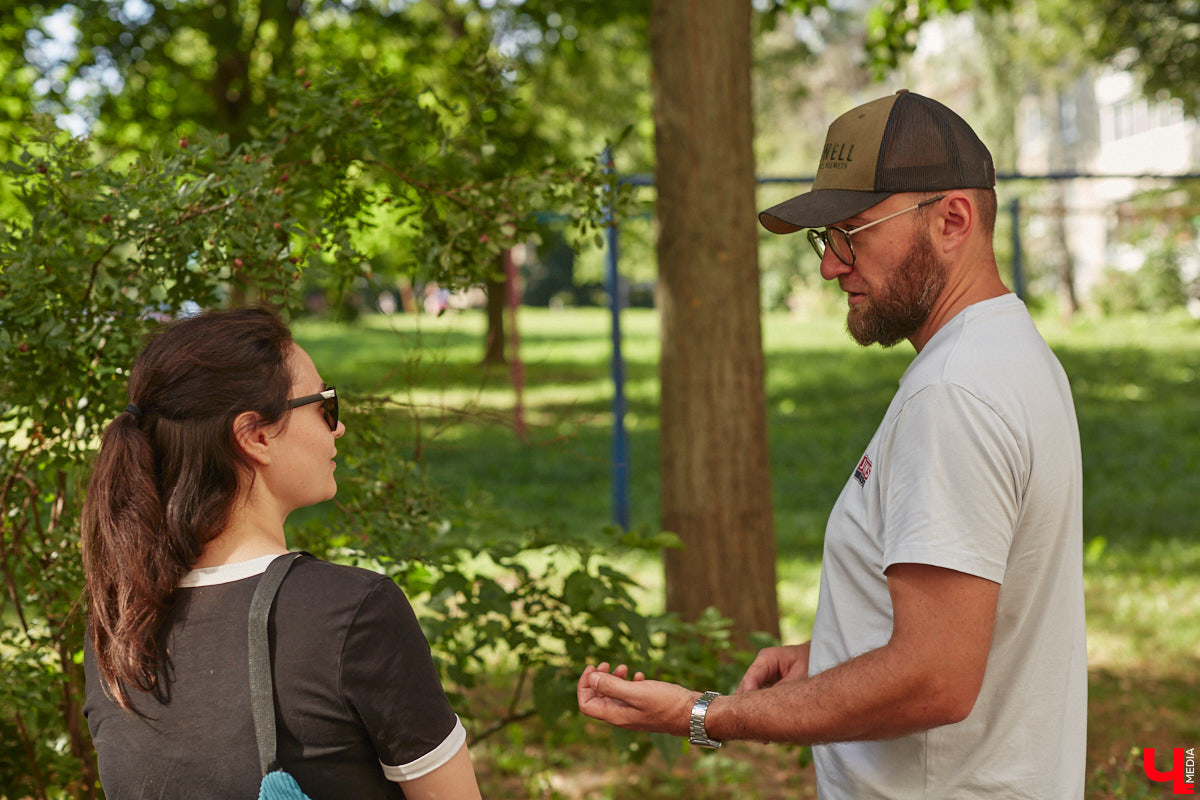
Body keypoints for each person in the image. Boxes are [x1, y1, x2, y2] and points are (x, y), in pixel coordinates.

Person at [577, 90, 1086, 798]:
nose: (830, 265)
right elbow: (982, 618)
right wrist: (839, 653)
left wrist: (707, 715)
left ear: (952, 219)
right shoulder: (1014, 355)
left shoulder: (954, 395)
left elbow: (935, 679)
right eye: (828, 239)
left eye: (854, 231)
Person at [82, 307, 482, 800]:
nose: (337, 429)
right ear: (257, 436)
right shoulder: (352, 613)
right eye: (325, 405)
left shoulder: (120, 628)